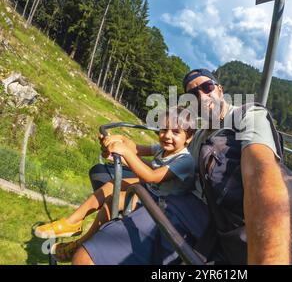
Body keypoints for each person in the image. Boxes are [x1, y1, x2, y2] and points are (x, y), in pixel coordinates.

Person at [72, 69, 292, 265]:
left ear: (219, 90)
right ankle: (78, 231)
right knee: (86, 257)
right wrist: (128, 145)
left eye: (206, 87)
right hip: (187, 208)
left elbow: (262, 175)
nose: (201, 95)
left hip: (215, 219)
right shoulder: (198, 135)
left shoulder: (246, 115)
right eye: (192, 93)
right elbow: (157, 149)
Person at [34, 106, 196, 262]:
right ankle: (73, 222)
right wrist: (119, 140)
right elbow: (137, 148)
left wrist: (124, 153)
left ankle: (82, 243)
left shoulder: (185, 161)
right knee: (112, 185)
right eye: (163, 129)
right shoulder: (163, 149)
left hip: (162, 204)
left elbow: (152, 176)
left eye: (175, 132)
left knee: (114, 200)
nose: (167, 136)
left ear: (188, 138)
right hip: (152, 191)